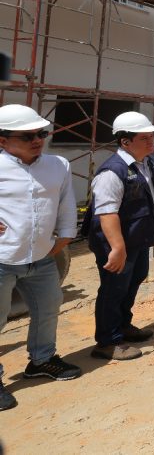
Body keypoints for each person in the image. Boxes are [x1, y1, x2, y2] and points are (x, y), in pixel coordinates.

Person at [0, 105, 82, 410]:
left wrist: (65, 236)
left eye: (42, 133)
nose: (38, 140)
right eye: (28, 135)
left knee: (49, 308)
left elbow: (66, 203)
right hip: (3, 258)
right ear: (3, 140)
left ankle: (42, 360)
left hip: (42, 257)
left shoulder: (57, 165)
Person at [86, 111, 154, 361]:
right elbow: (106, 212)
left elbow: (148, 195)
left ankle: (123, 326)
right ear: (125, 142)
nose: (151, 142)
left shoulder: (147, 163)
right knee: (113, 289)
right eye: (144, 138)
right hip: (117, 244)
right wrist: (117, 247)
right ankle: (107, 341)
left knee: (133, 282)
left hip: (138, 239)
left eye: (151, 136)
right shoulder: (112, 172)